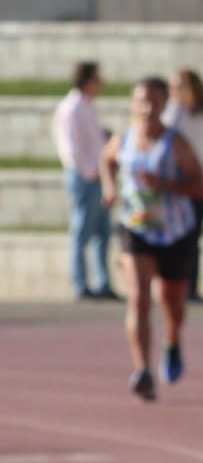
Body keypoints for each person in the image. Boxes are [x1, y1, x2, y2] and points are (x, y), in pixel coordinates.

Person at [99, 77, 203, 401]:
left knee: (173, 302)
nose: (147, 108)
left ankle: (172, 341)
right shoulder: (123, 140)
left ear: (164, 106)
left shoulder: (177, 144)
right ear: (132, 104)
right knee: (139, 298)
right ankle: (143, 370)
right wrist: (109, 187)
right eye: (142, 101)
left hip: (174, 231)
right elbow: (106, 161)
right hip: (136, 228)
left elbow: (200, 187)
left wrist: (165, 184)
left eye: (155, 101)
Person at [52, 61, 118, 301]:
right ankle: (81, 284)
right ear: (87, 80)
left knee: (103, 232)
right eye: (97, 79)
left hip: (96, 175)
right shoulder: (72, 108)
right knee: (82, 231)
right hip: (85, 176)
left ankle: (103, 282)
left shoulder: (86, 106)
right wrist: (87, 171)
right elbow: (71, 148)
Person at [163, 69, 203, 304]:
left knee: (191, 237)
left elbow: (166, 130)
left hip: (189, 179)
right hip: (189, 179)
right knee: (185, 237)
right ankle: (183, 285)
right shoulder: (196, 111)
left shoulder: (187, 112)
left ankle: (189, 286)